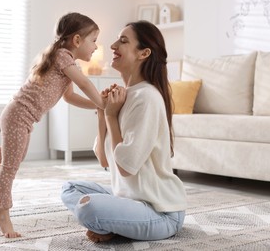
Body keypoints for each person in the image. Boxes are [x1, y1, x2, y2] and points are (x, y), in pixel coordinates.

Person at [0, 12, 107, 238]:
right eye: (93, 40)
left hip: (21, 116)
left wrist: (97, 107)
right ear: (77, 40)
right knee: (10, 166)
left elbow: (70, 97)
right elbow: (85, 83)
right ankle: (2, 214)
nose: (96, 47)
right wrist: (101, 101)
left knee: (13, 158)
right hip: (18, 114)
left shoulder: (66, 60)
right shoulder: (62, 56)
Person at [61, 20, 188, 243]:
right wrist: (102, 111)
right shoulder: (124, 96)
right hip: (129, 199)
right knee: (70, 189)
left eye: (123, 41)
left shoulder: (147, 97)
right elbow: (103, 159)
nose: (112, 45)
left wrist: (112, 116)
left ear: (144, 53)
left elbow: (126, 168)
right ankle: (115, 223)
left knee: (88, 209)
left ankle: (112, 224)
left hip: (160, 211)